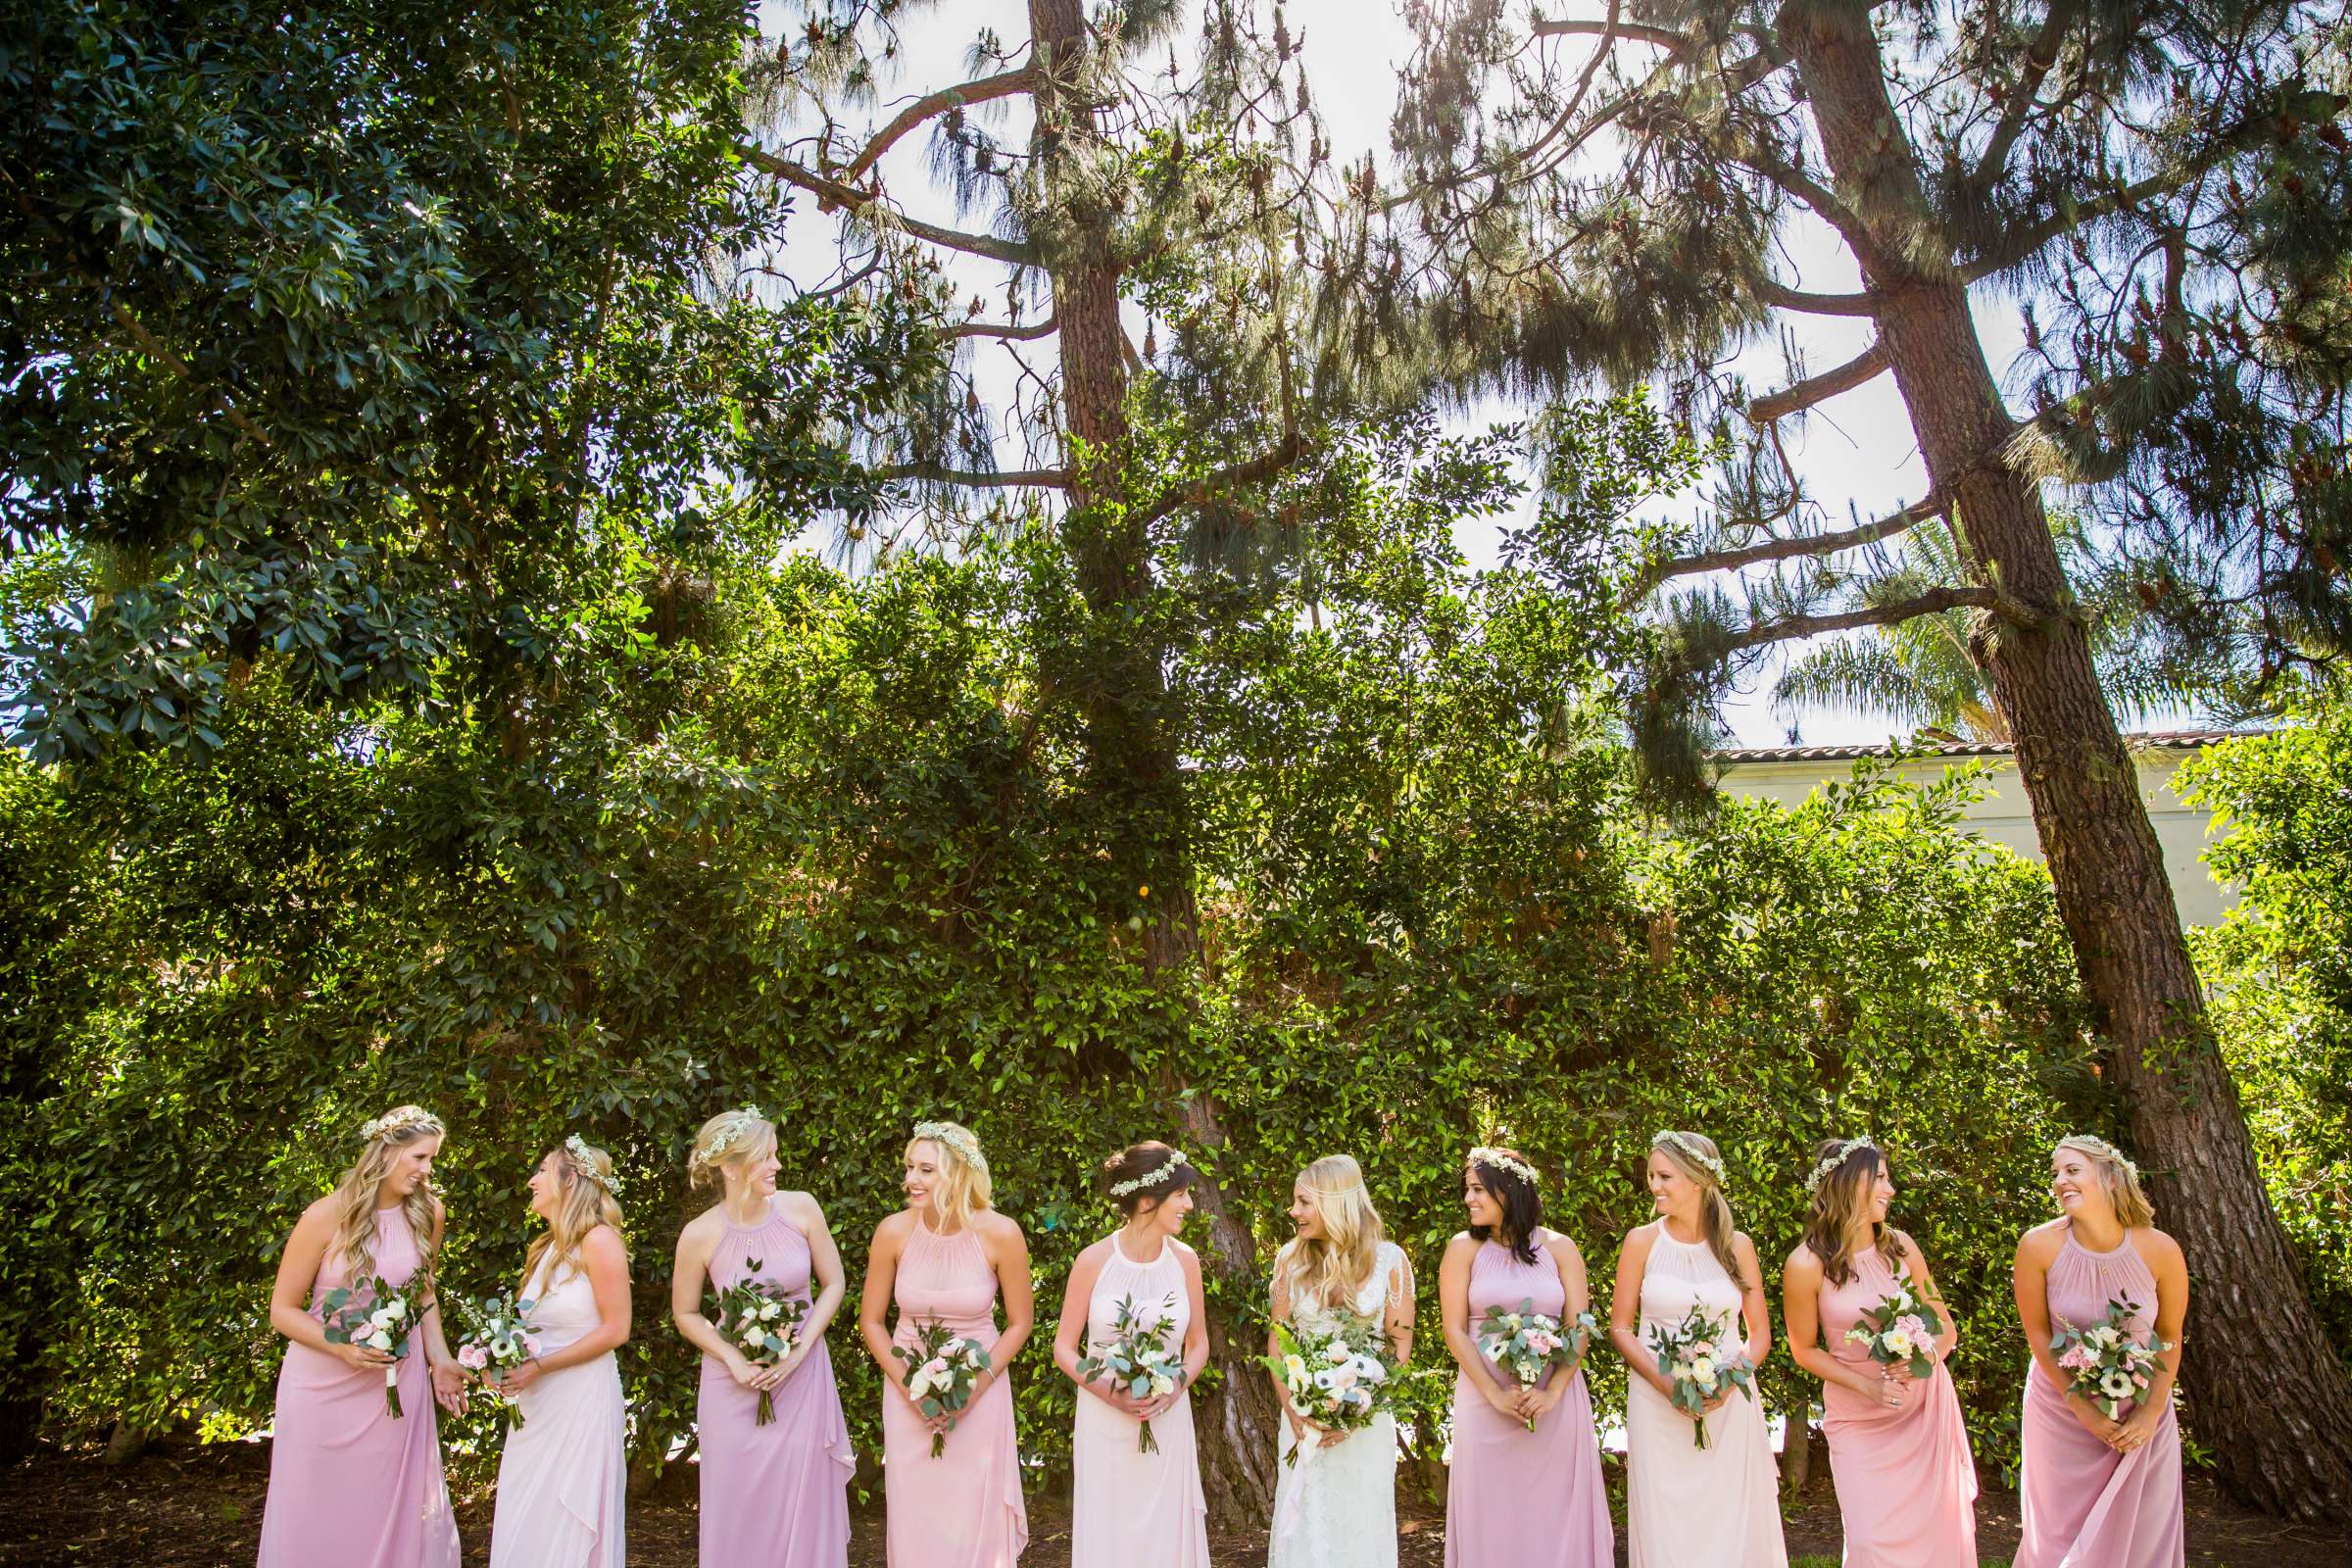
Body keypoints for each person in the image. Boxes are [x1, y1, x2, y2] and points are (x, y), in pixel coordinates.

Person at [258, 1104, 464, 1568]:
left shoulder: (429, 1212)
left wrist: (441, 1360)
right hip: (321, 1388)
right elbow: (282, 1311)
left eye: (432, 1159)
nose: (427, 1170)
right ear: (386, 1152)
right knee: (316, 1510)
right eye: (419, 1158)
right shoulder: (325, 1215)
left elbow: (423, 1291)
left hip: (393, 1387)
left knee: (387, 1503)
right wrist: (343, 1348)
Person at [670, 1105, 852, 1568]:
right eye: (765, 1158)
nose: (777, 1166)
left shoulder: (802, 1207)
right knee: (736, 1505)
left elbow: (834, 1283)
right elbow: (686, 1313)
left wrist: (801, 1351)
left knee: (800, 1497)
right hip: (732, 1386)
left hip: (802, 1377)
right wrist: (731, 1359)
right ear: (731, 1168)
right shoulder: (699, 1234)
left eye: (775, 1154)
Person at [1783, 1136, 1977, 1567]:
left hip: (1922, 1409)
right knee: (1871, 1542)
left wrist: (1922, 1359)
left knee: (1936, 1533)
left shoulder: (1901, 1247)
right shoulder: (1805, 1265)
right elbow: (1803, 1350)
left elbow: (1945, 1326)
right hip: (1857, 1416)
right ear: (1851, 1183)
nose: (1890, 1190)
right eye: (1882, 1178)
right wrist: (1867, 1385)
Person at [1610, 1129, 1787, 1568]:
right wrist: (1665, 1382)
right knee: (1666, 1521)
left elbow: (1759, 1334)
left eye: (1665, 1176)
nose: (1654, 1185)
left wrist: (1728, 1384)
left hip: (1728, 1405)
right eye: (1652, 1175)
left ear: (1698, 1179)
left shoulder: (1736, 1246)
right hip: (1656, 1403)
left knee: (1727, 1517)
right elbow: (1620, 1328)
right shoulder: (1641, 1242)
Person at [859, 1120, 1031, 1568]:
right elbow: (872, 1322)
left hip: (981, 1392)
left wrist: (973, 1389)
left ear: (957, 1173)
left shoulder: (1002, 1233)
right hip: (907, 1394)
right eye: (909, 1167)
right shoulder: (893, 1232)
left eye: (925, 1170)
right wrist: (910, 1390)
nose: (910, 1179)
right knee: (915, 1508)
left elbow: (1020, 1323)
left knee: (973, 1508)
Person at [2012, 1134, 2187, 1568]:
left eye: (2072, 1170)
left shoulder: (2160, 1249)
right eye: (2055, 1173)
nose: (2059, 1181)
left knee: (2143, 1538)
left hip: (2140, 1416)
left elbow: (2169, 1335)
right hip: (2060, 1414)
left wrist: (2150, 1412)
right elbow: (2037, 1335)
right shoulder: (2037, 1246)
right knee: (2057, 1536)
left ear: (2109, 1178)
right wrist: (2085, 1411)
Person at [1439, 1145, 1611, 1568]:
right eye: (1467, 1189)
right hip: (1485, 1401)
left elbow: (1579, 1328)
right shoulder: (1463, 1249)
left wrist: (1552, 1392)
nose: (1469, 1199)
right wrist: (1495, 1396)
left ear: (1508, 1190)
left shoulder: (1561, 1248)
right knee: (1492, 1511)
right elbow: (1454, 1330)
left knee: (1554, 1511)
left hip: (1554, 1405)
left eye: (1478, 1189)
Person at [1053, 1141, 1211, 1568]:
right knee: (1111, 1528)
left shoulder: (1186, 1261)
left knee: (1164, 1530)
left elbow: (1199, 1345)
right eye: (1180, 1195)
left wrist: (1174, 1388)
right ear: (1147, 1201)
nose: (1189, 1204)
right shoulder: (1093, 1260)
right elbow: (1064, 1349)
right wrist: (1110, 1392)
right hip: (1104, 1419)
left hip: (1167, 1418)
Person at [485, 1136, 631, 1568]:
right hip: (537, 1406)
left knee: (565, 1518)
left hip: (579, 1402)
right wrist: (497, 1359)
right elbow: (528, 1331)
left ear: (569, 1181)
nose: (532, 1181)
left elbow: (616, 1328)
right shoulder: (546, 1249)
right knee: (527, 1512)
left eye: (543, 1170)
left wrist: (540, 1366)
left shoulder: (600, 1240)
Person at [1266, 1153, 1414, 1568]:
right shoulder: (1290, 1261)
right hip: (1302, 1421)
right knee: (1306, 1531)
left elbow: (1398, 1351)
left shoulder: (1390, 1261)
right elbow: (1277, 1343)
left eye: (1303, 1202)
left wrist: (1354, 1415)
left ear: (1335, 1203)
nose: (1293, 1211)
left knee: (1360, 1528)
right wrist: (1295, 1416)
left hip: (1364, 1429)